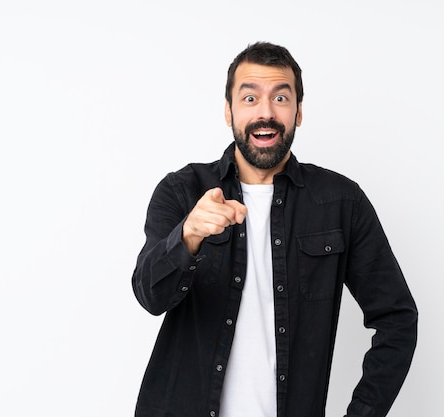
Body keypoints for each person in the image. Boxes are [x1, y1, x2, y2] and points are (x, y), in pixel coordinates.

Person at [131, 41, 418, 417]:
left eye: (280, 98)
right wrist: (187, 237)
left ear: (298, 112)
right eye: (249, 99)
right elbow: (150, 296)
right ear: (228, 111)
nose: (265, 113)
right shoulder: (183, 190)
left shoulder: (341, 203)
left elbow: (397, 318)